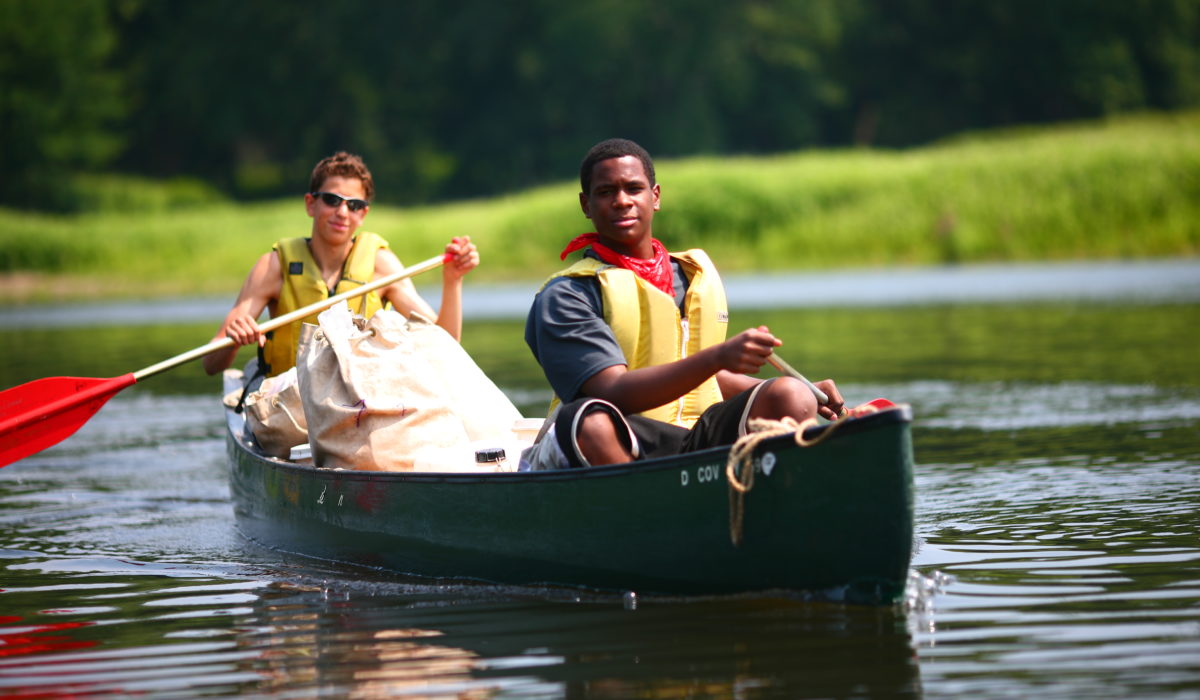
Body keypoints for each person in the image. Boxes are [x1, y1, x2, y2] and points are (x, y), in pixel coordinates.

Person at [523, 138, 844, 470]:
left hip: (690, 436)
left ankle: (773, 498)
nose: (622, 201)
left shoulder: (688, 278)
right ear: (586, 205)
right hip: (613, 439)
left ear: (655, 196)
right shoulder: (567, 295)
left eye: (634, 189)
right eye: (605, 192)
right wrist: (719, 356)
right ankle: (648, 512)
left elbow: (703, 377)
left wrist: (803, 390)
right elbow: (610, 392)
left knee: (790, 394)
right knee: (590, 418)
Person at [203, 151, 479, 378]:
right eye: (332, 200)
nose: (342, 212)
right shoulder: (274, 266)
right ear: (311, 204)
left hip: (362, 400)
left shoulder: (381, 264)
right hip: (292, 403)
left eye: (354, 204)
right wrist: (233, 339)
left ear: (364, 214)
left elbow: (446, 346)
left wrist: (452, 280)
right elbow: (212, 364)